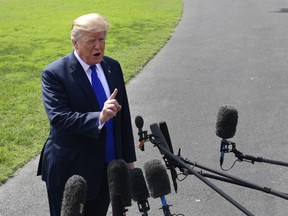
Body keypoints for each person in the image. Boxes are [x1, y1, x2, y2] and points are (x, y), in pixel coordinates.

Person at [37, 13, 136, 216]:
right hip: (71, 172)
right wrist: (99, 118)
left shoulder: (113, 67)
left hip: (106, 168)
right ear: (74, 42)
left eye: (101, 39)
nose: (98, 46)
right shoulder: (55, 74)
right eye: (91, 41)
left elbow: (123, 119)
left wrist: (127, 159)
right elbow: (59, 118)